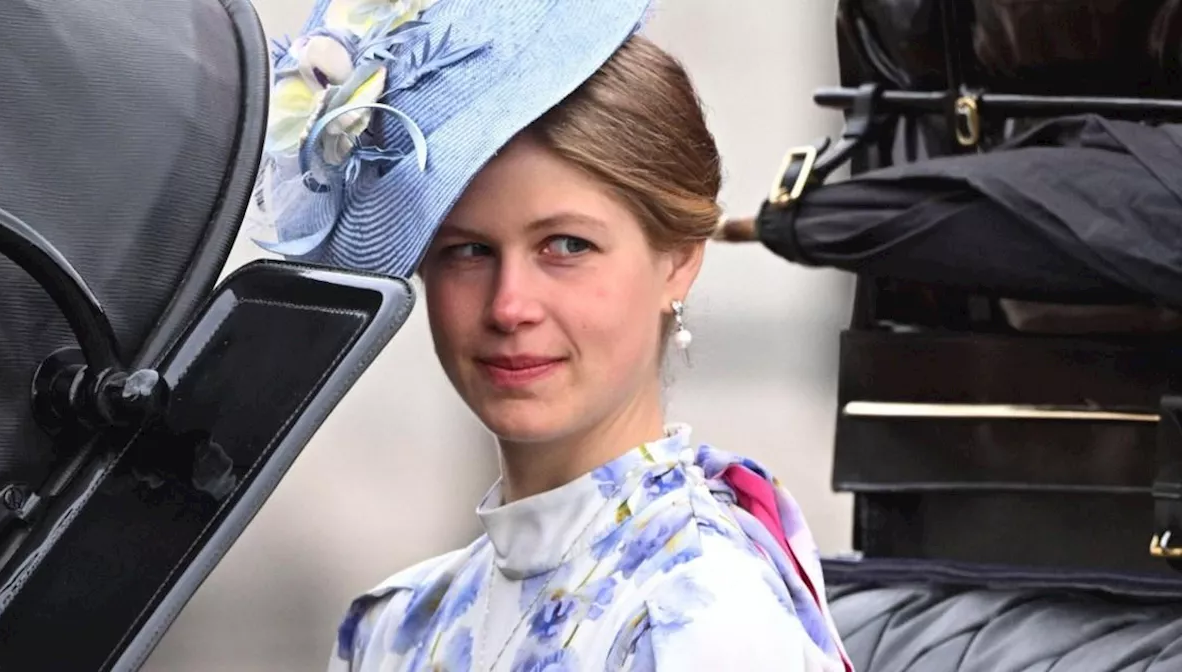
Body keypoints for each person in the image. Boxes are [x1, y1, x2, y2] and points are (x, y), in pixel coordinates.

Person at [249, 0, 853, 669]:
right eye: (467, 251)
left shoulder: (700, 615)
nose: (510, 306)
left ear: (678, 259)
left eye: (567, 245)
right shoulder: (398, 623)